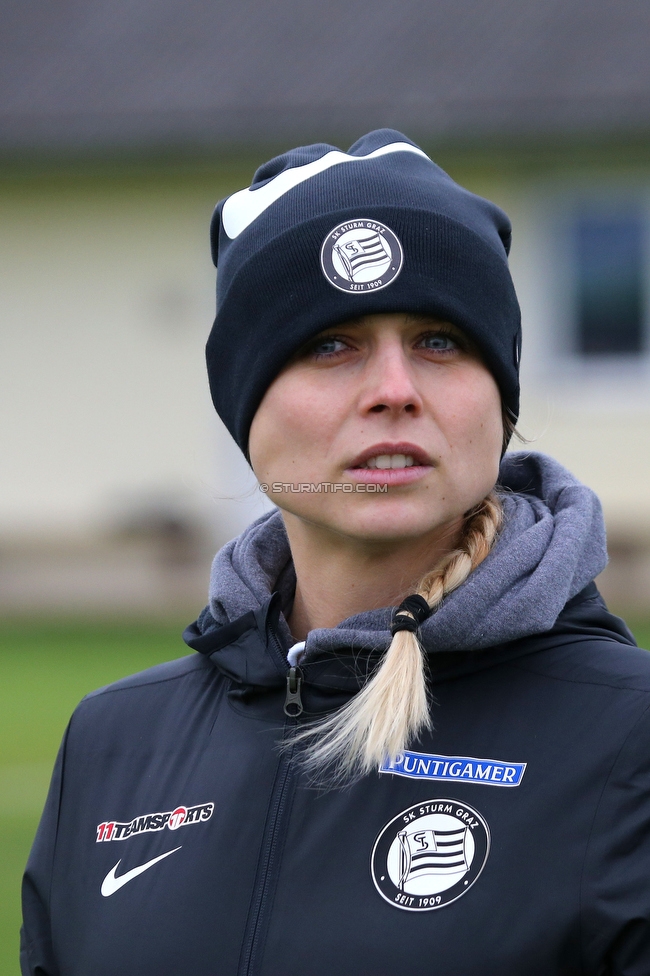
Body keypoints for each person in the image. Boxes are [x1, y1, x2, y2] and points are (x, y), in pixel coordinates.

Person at [21, 129, 650, 976]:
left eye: (440, 341)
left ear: (499, 401)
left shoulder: (627, 735)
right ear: (246, 409)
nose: (394, 390)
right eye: (330, 344)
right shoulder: (113, 744)